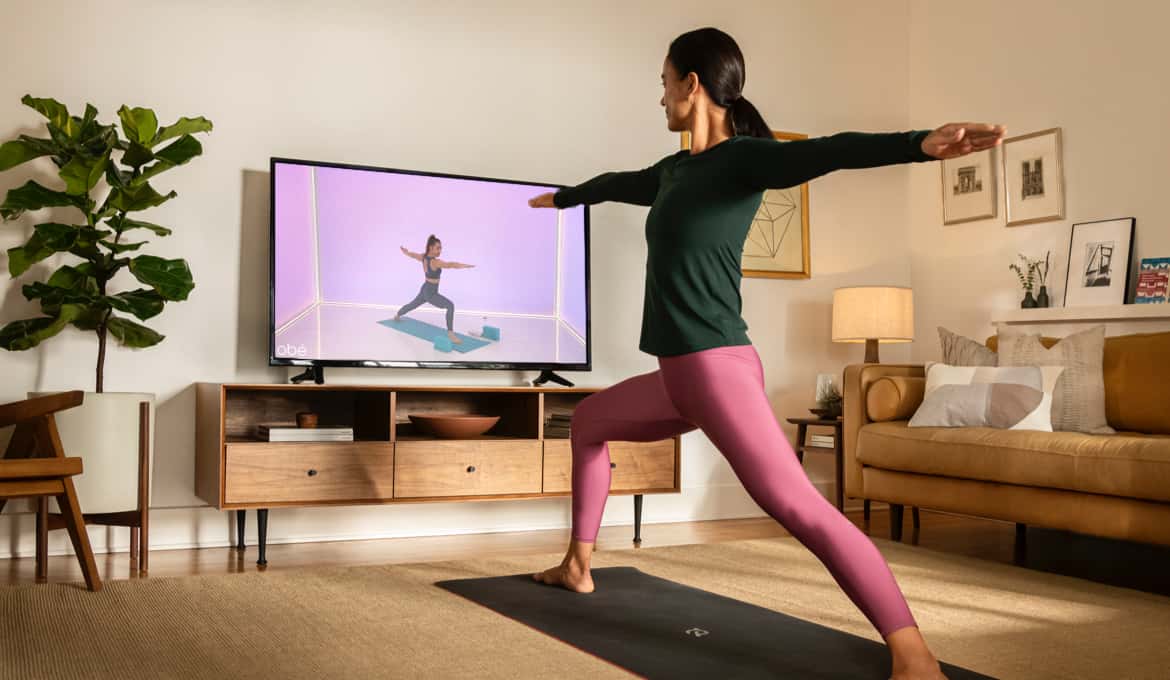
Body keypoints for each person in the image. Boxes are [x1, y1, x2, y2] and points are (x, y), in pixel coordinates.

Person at [526, 26, 1004, 680]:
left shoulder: (744, 160)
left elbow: (834, 151)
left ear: (691, 85)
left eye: (664, 84)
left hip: (716, 373)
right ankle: (578, 566)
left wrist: (919, 145)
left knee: (800, 507)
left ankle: (914, 656)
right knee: (587, 423)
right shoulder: (673, 172)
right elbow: (621, 181)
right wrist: (569, 196)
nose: (659, 98)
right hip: (680, 376)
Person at [393, 235, 475, 345]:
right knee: (450, 305)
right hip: (430, 293)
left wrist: (406, 253)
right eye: (438, 248)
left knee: (412, 305)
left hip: (425, 289)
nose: (440, 250)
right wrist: (464, 266)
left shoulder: (423, 257)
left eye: (440, 248)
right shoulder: (435, 262)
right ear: (431, 248)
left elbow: (413, 255)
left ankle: (397, 315)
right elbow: (450, 265)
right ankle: (450, 334)